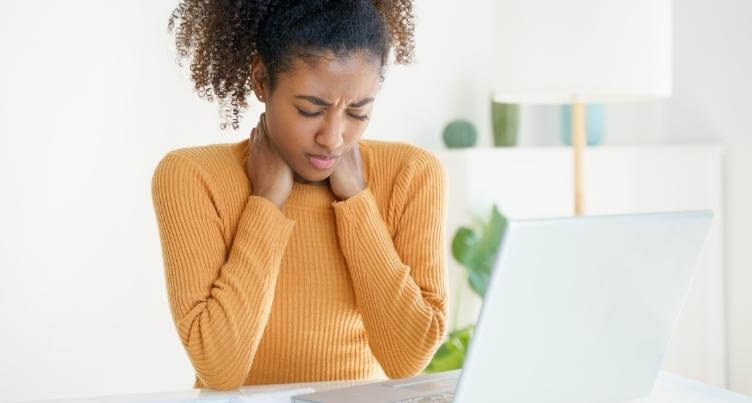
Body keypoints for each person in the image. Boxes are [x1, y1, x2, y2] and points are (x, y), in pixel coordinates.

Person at [151, 0, 447, 391]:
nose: (333, 137)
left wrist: (356, 201)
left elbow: (407, 359)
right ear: (261, 80)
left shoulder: (410, 174)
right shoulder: (194, 178)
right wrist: (266, 202)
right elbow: (220, 370)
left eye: (358, 112)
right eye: (310, 109)